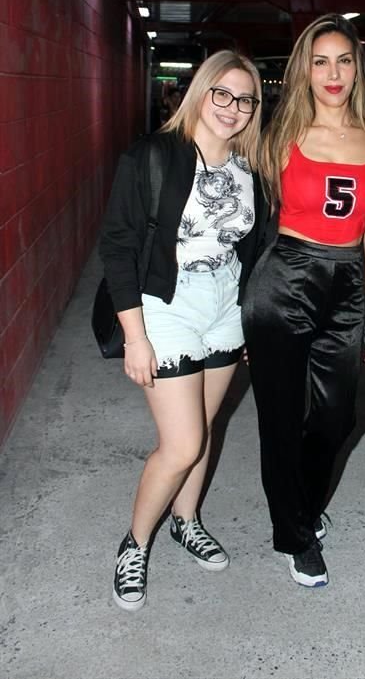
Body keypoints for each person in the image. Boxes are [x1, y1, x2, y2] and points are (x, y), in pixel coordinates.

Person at [100, 50, 265, 611]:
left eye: (245, 99)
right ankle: (135, 542)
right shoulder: (154, 154)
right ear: (200, 92)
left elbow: (254, 248)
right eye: (222, 93)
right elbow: (117, 246)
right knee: (183, 443)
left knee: (207, 424)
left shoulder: (249, 169)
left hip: (224, 305)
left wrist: (252, 320)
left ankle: (186, 519)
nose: (233, 108)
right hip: (164, 303)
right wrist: (135, 335)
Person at [242, 13, 365, 588]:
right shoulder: (279, 135)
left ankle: (302, 503)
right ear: (304, 70)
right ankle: (294, 534)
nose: (333, 73)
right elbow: (247, 220)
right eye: (320, 61)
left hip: (349, 282)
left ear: (358, 69)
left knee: (336, 417)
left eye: (344, 60)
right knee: (280, 419)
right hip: (284, 279)